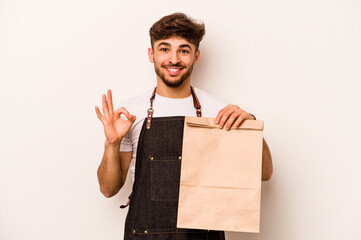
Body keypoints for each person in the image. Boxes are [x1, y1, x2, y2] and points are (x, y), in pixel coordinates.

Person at [95, 12, 273, 240]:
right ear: (151, 54)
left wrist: (250, 126)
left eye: (184, 50)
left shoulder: (218, 111)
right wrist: (112, 143)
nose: (174, 59)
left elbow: (265, 173)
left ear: (196, 57)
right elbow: (108, 189)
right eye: (164, 49)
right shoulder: (131, 113)